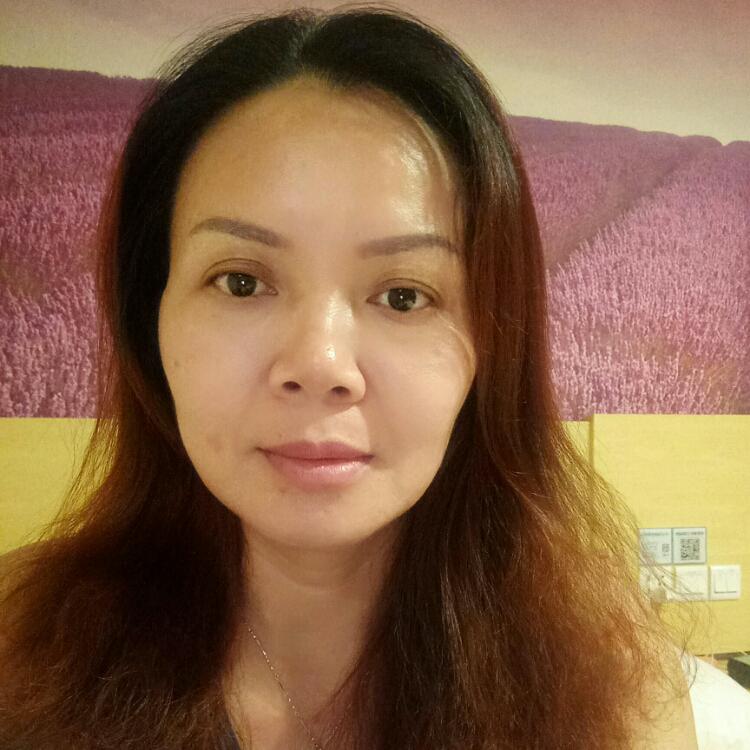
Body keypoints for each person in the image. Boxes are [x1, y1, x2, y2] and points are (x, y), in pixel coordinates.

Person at [0, 4, 698, 748]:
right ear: (151, 319)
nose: (321, 365)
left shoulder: (613, 691)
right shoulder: (21, 657)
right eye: (242, 281)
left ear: (491, 348)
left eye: (404, 296)